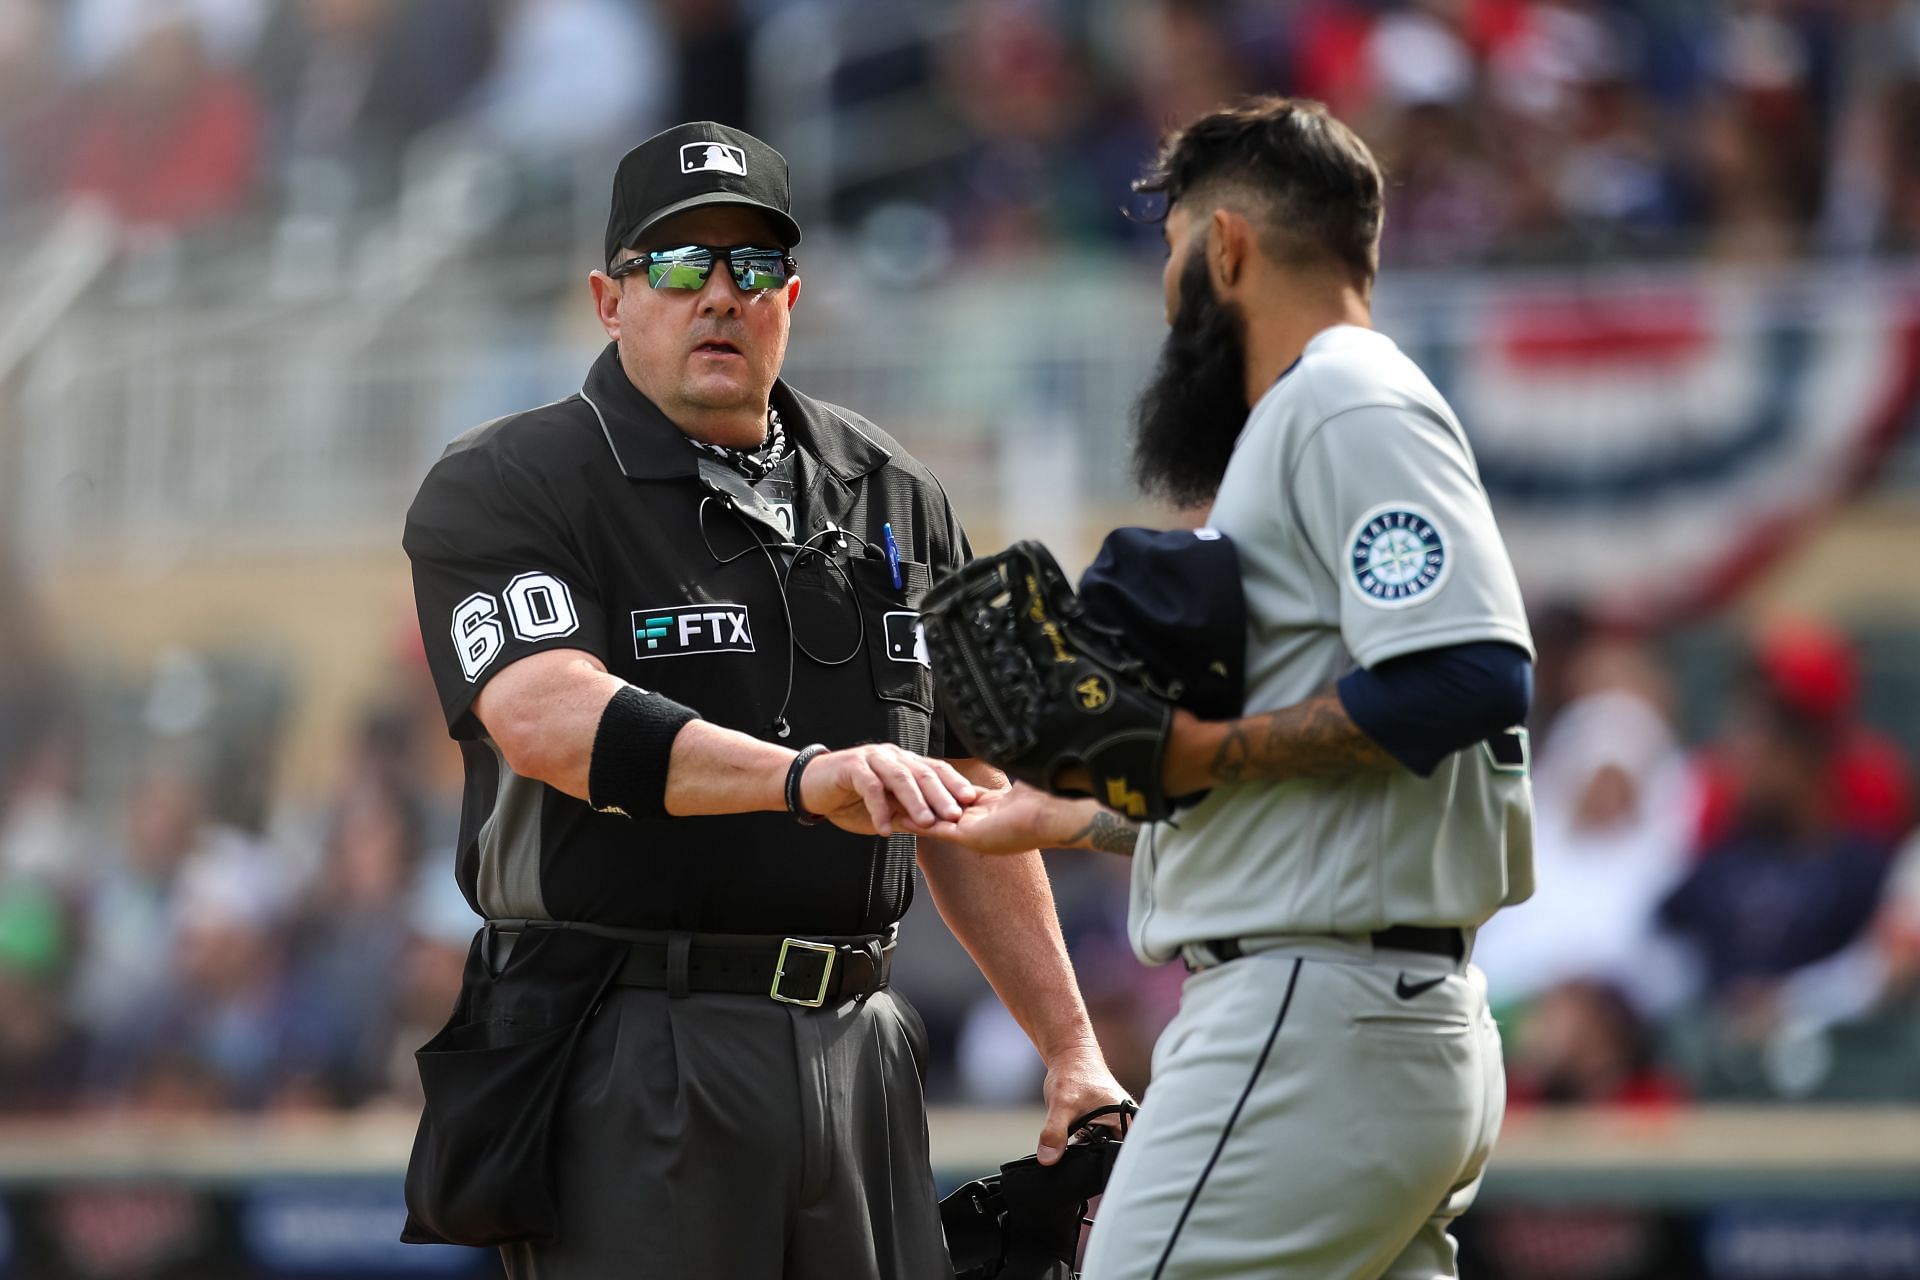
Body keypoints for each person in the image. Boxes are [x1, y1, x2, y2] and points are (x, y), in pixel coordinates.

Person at [399, 121, 1124, 1278]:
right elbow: (544, 715)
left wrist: (1071, 1044)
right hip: (638, 1038)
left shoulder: (899, 491)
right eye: (679, 264)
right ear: (609, 296)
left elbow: (976, 786)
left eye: (751, 265)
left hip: (862, 1041)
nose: (719, 294)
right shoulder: (510, 479)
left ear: (793, 294)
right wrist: (798, 780)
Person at [924, 97, 1536, 1279]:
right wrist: (1092, 811)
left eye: (1172, 253)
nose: (1168, 299)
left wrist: (1196, 755)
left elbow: (1472, 673)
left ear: (1228, 250)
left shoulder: (1340, 396)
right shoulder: (1320, 414)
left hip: (1313, 1014)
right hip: (1382, 1009)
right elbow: (1333, 749)